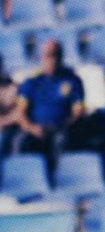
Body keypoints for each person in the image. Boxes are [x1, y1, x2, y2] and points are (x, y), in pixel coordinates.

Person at [13, 39, 85, 178]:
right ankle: (24, 179)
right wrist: (32, 127)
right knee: (20, 142)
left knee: (61, 140)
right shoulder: (31, 82)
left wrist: (63, 125)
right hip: (35, 128)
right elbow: (20, 112)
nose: (52, 59)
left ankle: (58, 178)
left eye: (55, 55)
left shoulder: (73, 80)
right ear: (41, 57)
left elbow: (78, 111)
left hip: (60, 127)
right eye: (48, 55)